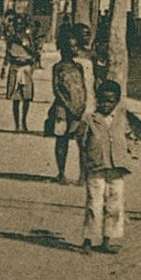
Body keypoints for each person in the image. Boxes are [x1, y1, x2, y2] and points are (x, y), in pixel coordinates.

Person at [80, 79, 134, 254]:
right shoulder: (90, 120)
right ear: (97, 99)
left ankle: (107, 240)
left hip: (116, 168)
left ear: (117, 101)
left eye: (110, 101)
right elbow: (81, 142)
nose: (105, 104)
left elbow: (129, 138)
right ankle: (88, 239)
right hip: (96, 167)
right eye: (102, 100)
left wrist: (128, 153)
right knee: (94, 204)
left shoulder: (121, 120)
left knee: (114, 204)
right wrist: (85, 165)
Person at [49, 26, 91, 184]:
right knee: (62, 140)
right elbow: (57, 89)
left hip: (79, 108)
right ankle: (61, 173)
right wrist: (68, 106)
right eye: (70, 47)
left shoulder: (78, 67)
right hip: (63, 109)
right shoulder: (58, 67)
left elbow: (83, 87)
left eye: (75, 46)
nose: (73, 49)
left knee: (82, 142)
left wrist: (82, 104)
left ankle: (83, 175)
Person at [3, 21, 40, 133]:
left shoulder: (29, 39)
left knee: (27, 98)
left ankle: (24, 121)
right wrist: (4, 67)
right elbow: (8, 54)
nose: (18, 28)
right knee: (16, 98)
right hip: (15, 68)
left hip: (26, 69)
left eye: (20, 26)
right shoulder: (11, 39)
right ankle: (17, 124)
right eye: (16, 26)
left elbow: (35, 54)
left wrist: (27, 48)